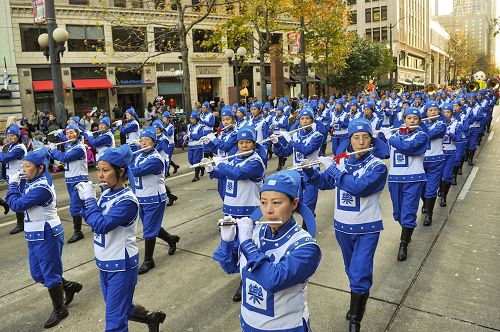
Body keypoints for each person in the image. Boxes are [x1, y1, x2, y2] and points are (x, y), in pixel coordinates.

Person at [303, 118, 389, 332]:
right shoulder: (342, 162)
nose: (360, 142)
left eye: (365, 137)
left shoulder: (377, 166)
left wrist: (333, 169)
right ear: (350, 141)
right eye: (356, 138)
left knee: (360, 272)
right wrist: (310, 171)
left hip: (367, 228)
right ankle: (356, 306)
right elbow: (324, 182)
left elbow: (359, 187)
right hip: (342, 227)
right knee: (351, 270)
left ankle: (355, 322)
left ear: (371, 140)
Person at [212, 170, 321, 331]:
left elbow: (273, 280)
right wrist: (227, 241)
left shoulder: (306, 246)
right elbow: (230, 268)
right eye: (263, 202)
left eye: (276, 203)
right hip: (249, 324)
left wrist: (246, 243)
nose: (269, 210)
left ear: (294, 204)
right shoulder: (254, 232)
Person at [75, 145, 166, 331]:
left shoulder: (127, 201)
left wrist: (90, 200)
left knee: (114, 321)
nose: (100, 175)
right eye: (99, 170)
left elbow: (101, 224)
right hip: (105, 260)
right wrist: (83, 198)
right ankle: (151, 318)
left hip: (121, 264)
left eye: (105, 170)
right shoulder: (107, 193)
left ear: (121, 171)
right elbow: (87, 216)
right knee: (118, 307)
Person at [6, 148, 82, 329]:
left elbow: (16, 204)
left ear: (40, 168)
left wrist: (12, 186)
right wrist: (19, 181)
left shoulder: (42, 188)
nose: (24, 169)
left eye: (28, 166)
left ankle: (60, 309)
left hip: (47, 233)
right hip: (34, 233)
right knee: (38, 274)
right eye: (23, 165)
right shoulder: (33, 180)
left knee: (50, 273)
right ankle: (68, 286)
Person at [129, 127, 180, 275]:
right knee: (151, 226)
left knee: (149, 230)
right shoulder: (139, 156)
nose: (143, 143)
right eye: (142, 140)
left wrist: (125, 161)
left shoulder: (156, 159)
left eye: (147, 140)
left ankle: (148, 260)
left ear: (153, 142)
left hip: (154, 198)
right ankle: (171, 239)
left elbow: (136, 171)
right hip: (141, 198)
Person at [381, 107, 429, 261]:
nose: (412, 121)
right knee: (398, 214)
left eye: (415, 118)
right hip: (395, 179)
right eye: (409, 118)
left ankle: (403, 244)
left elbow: (407, 147)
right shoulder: (395, 134)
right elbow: (383, 152)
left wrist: (389, 137)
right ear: (404, 120)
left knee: (408, 212)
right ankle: (407, 231)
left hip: (414, 179)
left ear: (419, 121)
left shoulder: (422, 135)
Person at [272, 108, 323, 216]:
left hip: (311, 174)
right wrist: (276, 143)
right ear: (299, 120)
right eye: (302, 119)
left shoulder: (317, 136)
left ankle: (308, 228)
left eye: (307, 118)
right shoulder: (295, 135)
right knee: (295, 205)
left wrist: (290, 140)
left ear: (312, 120)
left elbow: (306, 150)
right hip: (296, 174)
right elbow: (286, 152)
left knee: (308, 205)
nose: (305, 121)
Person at [48, 124, 89, 243]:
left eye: (72, 132)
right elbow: (64, 143)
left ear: (77, 133)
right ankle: (95, 222)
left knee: (76, 207)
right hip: (70, 179)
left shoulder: (79, 148)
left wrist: (53, 150)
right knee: (83, 205)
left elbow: (64, 157)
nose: (69, 135)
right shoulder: (69, 144)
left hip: (78, 180)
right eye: (67, 133)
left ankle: (78, 232)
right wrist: (59, 135)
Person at [421, 101, 446, 226]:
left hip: (436, 161)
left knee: (431, 189)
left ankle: (429, 214)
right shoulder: (420, 124)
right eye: (430, 110)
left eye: (435, 110)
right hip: (420, 161)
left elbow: (429, 134)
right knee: (420, 188)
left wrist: (417, 129)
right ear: (426, 112)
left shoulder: (441, 124)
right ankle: (425, 202)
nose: (433, 112)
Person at [1, 125, 28, 235]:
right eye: (8, 136)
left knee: (18, 199)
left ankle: (21, 224)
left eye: (12, 135)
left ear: (18, 136)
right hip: (13, 178)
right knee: (18, 198)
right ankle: (22, 222)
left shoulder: (19, 148)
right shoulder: (12, 146)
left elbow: (4, 158)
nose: (10, 137)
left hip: (19, 178)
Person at [152, 119, 179, 206]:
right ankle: (170, 196)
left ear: (161, 129)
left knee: (159, 181)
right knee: (157, 181)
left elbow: (157, 149)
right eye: (155, 130)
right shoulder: (154, 138)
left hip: (163, 162)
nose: (156, 131)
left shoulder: (163, 138)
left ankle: (168, 196)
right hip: (157, 162)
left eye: (158, 129)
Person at [186, 111, 205, 182]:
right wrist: (186, 137)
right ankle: (201, 167)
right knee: (191, 161)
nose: (192, 120)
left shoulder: (201, 126)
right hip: (190, 146)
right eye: (191, 119)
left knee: (196, 161)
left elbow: (199, 136)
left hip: (198, 145)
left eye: (193, 119)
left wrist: (190, 135)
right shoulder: (188, 126)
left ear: (197, 119)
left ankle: (196, 176)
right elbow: (188, 134)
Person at [161, 111, 180, 175]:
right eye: (163, 118)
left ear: (168, 119)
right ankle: (175, 166)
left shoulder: (171, 126)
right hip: (164, 144)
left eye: (164, 118)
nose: (163, 120)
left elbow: (169, 134)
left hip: (170, 144)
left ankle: (167, 172)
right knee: (165, 157)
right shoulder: (162, 126)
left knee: (167, 158)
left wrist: (163, 130)